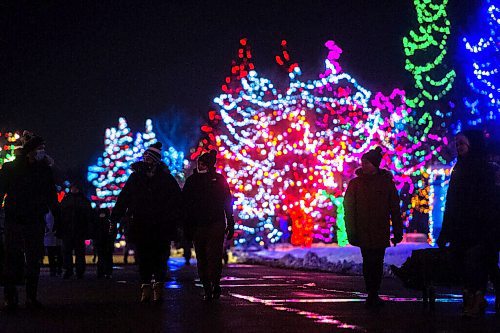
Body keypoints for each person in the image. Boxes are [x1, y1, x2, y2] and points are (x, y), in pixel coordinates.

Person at [110, 142, 181, 303]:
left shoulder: (166, 178)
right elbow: (124, 198)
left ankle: (158, 287)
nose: (146, 160)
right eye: (145, 157)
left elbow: (177, 200)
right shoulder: (135, 178)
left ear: (156, 160)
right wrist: (115, 217)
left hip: (161, 225)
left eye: (150, 157)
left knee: (160, 258)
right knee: (143, 258)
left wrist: (176, 219)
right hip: (141, 224)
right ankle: (146, 286)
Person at [437, 130, 496, 318]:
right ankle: (470, 298)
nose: (459, 148)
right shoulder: (459, 168)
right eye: (457, 144)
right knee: (463, 264)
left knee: (476, 264)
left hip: (479, 228)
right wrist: (445, 232)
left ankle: (476, 299)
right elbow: (451, 202)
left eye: (462, 144)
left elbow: (489, 201)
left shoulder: (484, 169)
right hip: (461, 228)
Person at [0, 135, 59, 310]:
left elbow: (51, 195)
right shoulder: (11, 168)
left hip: (34, 219)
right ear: (30, 151)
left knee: (34, 260)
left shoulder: (44, 170)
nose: (42, 151)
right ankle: (11, 297)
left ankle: (30, 297)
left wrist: (57, 216)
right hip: (15, 219)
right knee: (12, 259)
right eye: (39, 148)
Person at [344, 146, 403, 308]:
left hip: (379, 229)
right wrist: (352, 230)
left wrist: (398, 231)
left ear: (375, 164)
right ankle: (371, 292)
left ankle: (373, 292)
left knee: (377, 261)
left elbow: (394, 208)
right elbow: (349, 209)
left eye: (367, 162)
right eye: (363, 162)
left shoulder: (386, 183)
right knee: (368, 261)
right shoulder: (355, 184)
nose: (364, 165)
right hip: (363, 230)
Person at [183, 149, 234, 301]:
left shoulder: (218, 180)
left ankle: (214, 284)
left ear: (210, 165)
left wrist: (230, 221)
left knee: (214, 255)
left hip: (215, 223)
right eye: (199, 163)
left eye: (203, 163)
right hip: (198, 224)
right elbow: (185, 204)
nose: (200, 165)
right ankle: (207, 286)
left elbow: (227, 201)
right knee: (202, 257)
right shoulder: (192, 181)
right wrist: (186, 224)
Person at [59, 182, 93, 279]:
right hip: (71, 230)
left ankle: (77, 271)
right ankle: (72, 270)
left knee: (76, 252)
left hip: (76, 230)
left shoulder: (71, 200)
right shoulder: (78, 200)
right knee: (70, 252)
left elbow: (88, 216)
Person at [94, 207, 114, 278]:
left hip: (101, 241)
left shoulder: (97, 221)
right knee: (107, 257)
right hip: (107, 241)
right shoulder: (110, 221)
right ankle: (107, 272)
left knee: (101, 257)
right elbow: (113, 232)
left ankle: (101, 272)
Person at [44, 210, 62, 277]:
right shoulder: (58, 211)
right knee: (57, 253)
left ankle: (53, 270)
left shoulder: (47, 212)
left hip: (49, 235)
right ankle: (57, 269)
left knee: (51, 254)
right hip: (54, 235)